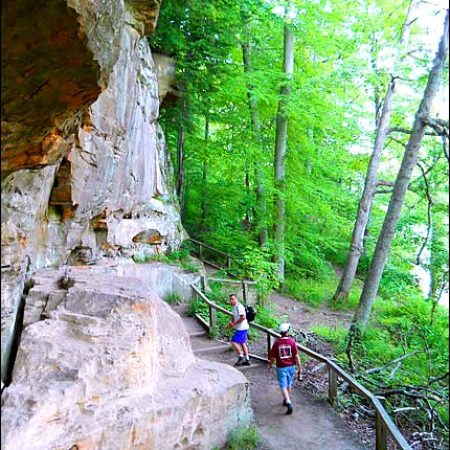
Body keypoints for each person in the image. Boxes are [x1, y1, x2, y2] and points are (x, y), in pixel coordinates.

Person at [268, 323, 302, 415]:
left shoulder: (277, 343)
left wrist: (270, 365)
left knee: (283, 385)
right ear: (287, 332)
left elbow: (272, 358)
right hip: (291, 366)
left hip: (281, 367)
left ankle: (288, 401)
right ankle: (286, 399)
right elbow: (296, 356)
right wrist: (300, 368)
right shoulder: (292, 342)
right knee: (289, 383)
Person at [227, 293, 250, 366]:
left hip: (242, 328)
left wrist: (234, 324)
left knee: (233, 341)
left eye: (233, 299)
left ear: (236, 299)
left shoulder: (239, 306)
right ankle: (247, 359)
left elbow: (243, 317)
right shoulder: (234, 307)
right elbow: (234, 317)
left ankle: (241, 356)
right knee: (243, 343)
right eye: (230, 299)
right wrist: (230, 325)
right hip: (241, 328)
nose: (231, 301)